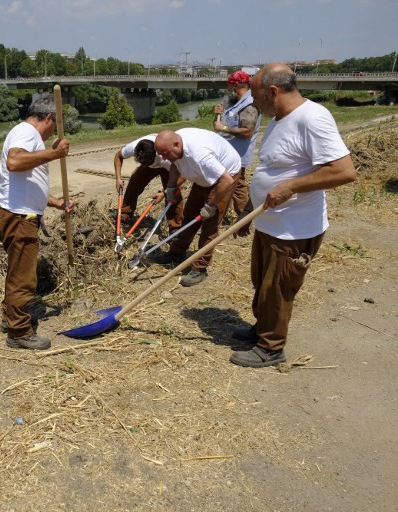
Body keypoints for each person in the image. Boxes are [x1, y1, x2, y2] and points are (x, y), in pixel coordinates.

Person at [229, 63, 357, 368]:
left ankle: (271, 347)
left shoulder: (313, 118)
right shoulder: (279, 118)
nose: (252, 104)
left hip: (293, 227)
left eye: (256, 97)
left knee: (278, 287)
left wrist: (292, 187)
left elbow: (344, 171)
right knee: (262, 282)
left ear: (273, 91)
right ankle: (262, 328)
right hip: (269, 221)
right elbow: (272, 167)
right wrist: (248, 209)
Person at [0, 94, 72, 350]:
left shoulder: (27, 135)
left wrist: (56, 203)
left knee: (16, 272)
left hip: (17, 214)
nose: (53, 132)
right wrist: (53, 154)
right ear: (48, 118)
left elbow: (27, 183)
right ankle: (19, 333)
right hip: (20, 219)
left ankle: (10, 318)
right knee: (24, 279)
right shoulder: (27, 133)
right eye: (55, 125)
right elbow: (14, 162)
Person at [152, 128, 242, 286]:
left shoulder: (199, 155)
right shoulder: (175, 147)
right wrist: (171, 188)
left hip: (225, 176)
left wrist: (211, 205)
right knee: (189, 216)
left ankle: (200, 268)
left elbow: (226, 180)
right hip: (203, 177)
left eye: (165, 153)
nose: (164, 158)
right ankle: (177, 253)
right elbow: (175, 165)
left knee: (210, 225)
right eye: (162, 155)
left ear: (177, 144)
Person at [213, 70, 261, 217]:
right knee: (236, 186)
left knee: (236, 186)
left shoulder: (249, 105)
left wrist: (224, 128)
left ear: (236, 86)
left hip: (237, 156)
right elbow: (218, 127)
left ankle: (242, 220)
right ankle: (242, 218)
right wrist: (217, 115)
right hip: (228, 153)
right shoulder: (235, 102)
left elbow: (247, 132)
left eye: (228, 86)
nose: (227, 90)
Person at [112, 134, 184, 232]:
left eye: (145, 163)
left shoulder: (166, 156)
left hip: (170, 169)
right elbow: (118, 156)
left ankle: (175, 228)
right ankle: (125, 214)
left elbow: (182, 175)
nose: (142, 165)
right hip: (151, 163)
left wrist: (165, 192)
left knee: (173, 194)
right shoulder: (134, 147)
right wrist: (118, 178)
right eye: (141, 162)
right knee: (134, 182)